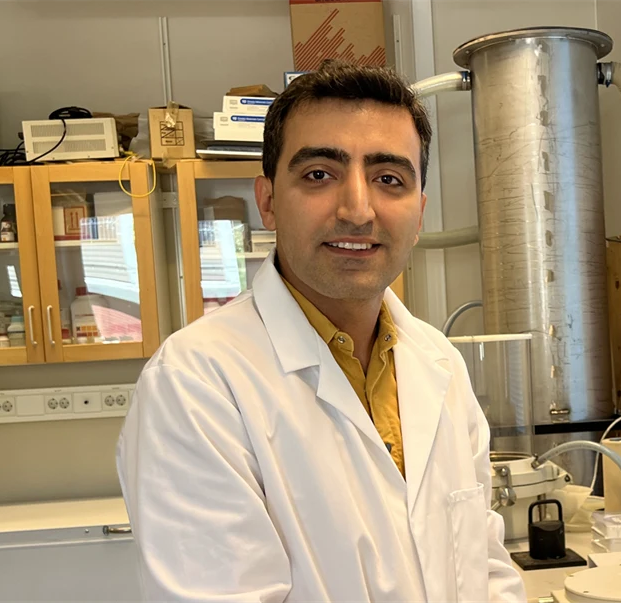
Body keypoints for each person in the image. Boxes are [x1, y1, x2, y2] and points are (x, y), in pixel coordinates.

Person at [116, 61, 526, 602]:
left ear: (420, 213)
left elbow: (486, 567)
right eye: (319, 175)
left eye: (389, 179)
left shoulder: (440, 363)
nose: (358, 210)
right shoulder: (195, 385)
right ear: (268, 202)